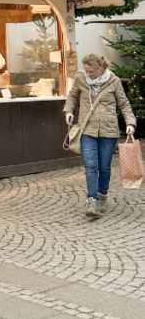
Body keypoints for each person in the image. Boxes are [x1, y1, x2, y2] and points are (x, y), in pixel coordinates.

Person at [64, 52, 136, 219]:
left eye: (91, 71)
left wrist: (130, 123)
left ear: (101, 68)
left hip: (108, 130)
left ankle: (102, 196)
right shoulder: (81, 79)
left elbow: (124, 103)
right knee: (91, 166)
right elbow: (72, 96)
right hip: (87, 129)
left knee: (104, 167)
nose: (88, 74)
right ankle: (92, 200)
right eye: (86, 71)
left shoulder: (114, 81)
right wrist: (68, 111)